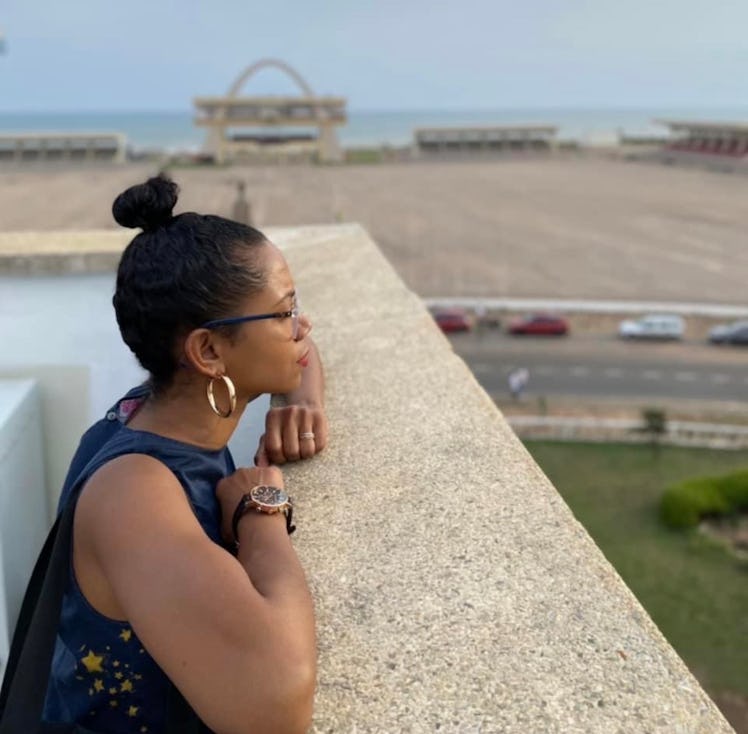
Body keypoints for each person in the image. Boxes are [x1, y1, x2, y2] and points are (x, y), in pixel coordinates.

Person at [40, 175, 324, 733]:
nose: (302, 327)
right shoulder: (134, 494)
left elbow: (305, 349)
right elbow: (275, 708)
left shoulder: (147, 409)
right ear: (209, 350)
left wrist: (302, 401)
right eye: (285, 312)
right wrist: (261, 509)